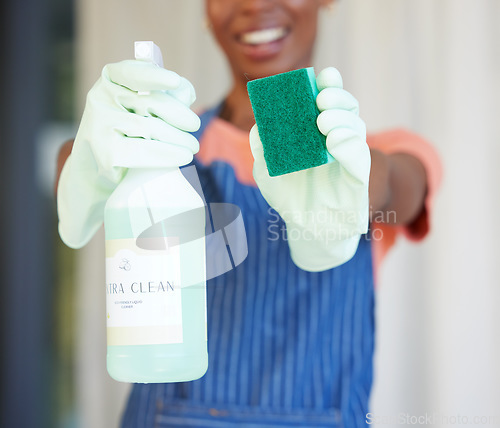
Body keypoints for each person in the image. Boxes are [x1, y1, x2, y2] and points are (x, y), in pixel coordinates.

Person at [56, 0, 441, 426]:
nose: (255, 3)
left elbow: (399, 185)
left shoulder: (368, 158)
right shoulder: (152, 144)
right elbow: (71, 169)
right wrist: (88, 165)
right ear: (206, 9)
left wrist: (348, 199)